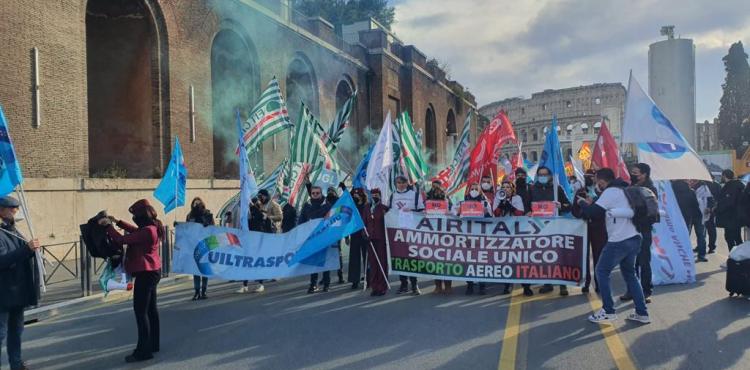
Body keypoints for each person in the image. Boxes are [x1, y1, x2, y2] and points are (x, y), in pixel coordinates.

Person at [578, 169, 650, 324]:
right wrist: (593, 203)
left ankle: (608, 311)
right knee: (630, 275)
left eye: (598, 182)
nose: (597, 185)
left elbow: (593, 213)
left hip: (619, 239)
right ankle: (642, 312)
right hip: (634, 237)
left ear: (602, 181)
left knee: (601, 271)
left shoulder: (610, 191)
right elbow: (601, 208)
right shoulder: (625, 189)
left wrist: (582, 202)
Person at [100, 199, 164, 362]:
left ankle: (143, 351)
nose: (134, 217)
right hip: (152, 271)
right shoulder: (151, 227)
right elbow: (135, 231)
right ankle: (153, 344)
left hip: (146, 273)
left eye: (135, 215)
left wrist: (108, 226)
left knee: (140, 312)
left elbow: (122, 240)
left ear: (142, 215)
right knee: (151, 310)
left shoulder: (147, 231)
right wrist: (117, 222)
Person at [0, 196, 40, 370]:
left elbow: (22, 252)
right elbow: (2, 260)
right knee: (0, 334)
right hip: (3, 293)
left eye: (16, 209)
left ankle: (16, 364)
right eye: (11, 209)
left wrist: (32, 251)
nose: (15, 212)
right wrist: (26, 249)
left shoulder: (13, 230)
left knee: (16, 332)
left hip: (18, 291)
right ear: (1, 211)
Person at [529, 166, 571, 296]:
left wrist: (560, 206)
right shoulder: (532, 189)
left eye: (545, 174)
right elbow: (526, 207)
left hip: (556, 227)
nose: (542, 177)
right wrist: (529, 212)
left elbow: (568, 205)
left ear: (549, 176)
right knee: (545, 256)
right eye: (540, 174)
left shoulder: (557, 188)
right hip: (539, 228)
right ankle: (548, 283)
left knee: (559, 256)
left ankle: (563, 285)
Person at [621, 163, 657, 303]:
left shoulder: (650, 189)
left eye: (635, 172)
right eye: (632, 172)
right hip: (629, 229)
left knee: (643, 261)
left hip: (643, 229)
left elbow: (648, 210)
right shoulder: (630, 187)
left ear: (644, 174)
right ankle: (631, 290)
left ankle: (646, 291)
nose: (633, 175)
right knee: (630, 263)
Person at [388, 175, 424, 295]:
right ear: (395, 183)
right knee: (400, 258)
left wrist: (412, 212)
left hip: (412, 231)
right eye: (398, 182)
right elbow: (389, 212)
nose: (401, 185)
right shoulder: (392, 196)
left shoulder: (414, 195)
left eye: (403, 182)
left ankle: (414, 284)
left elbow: (422, 211)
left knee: (412, 258)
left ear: (407, 183)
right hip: (397, 232)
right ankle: (403, 284)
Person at [572, 170, 607, 294]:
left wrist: (591, 207)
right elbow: (574, 211)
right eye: (586, 177)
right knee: (583, 256)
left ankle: (599, 283)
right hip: (584, 227)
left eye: (591, 177)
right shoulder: (580, 191)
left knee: (599, 256)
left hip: (599, 228)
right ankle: (586, 282)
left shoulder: (603, 192)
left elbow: (604, 209)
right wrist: (584, 212)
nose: (589, 179)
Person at [458, 182, 492, 295]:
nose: (473, 191)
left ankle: (482, 286)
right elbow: (454, 214)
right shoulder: (462, 202)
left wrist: (487, 213)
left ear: (480, 190)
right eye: (472, 189)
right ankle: (470, 285)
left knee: (481, 261)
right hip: (467, 235)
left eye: (476, 189)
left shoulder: (485, 202)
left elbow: (492, 217)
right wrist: (458, 212)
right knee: (468, 261)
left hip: (481, 236)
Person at [493, 180, 525, 295]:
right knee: (505, 259)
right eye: (504, 187)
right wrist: (501, 204)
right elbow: (495, 213)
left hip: (515, 230)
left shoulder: (517, 198)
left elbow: (520, 213)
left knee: (518, 258)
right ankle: (506, 285)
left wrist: (510, 207)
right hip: (503, 231)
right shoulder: (498, 197)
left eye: (508, 187)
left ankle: (525, 286)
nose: (506, 189)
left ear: (512, 189)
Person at [299, 186, 333, 293]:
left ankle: (326, 284)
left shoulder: (328, 205)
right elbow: (301, 221)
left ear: (321, 193)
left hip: (324, 237)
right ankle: (313, 284)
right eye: (313, 193)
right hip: (312, 238)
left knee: (325, 261)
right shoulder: (307, 205)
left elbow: (333, 220)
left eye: (317, 193)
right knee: (313, 262)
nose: (315, 195)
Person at [425, 180, 453, 295]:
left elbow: (454, 212)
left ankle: (448, 285)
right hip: (433, 233)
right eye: (433, 187)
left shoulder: (447, 199)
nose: (436, 189)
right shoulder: (428, 199)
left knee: (446, 260)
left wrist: (448, 212)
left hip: (446, 233)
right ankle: (437, 285)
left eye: (438, 187)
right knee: (434, 260)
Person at [185, 197, 214, 300]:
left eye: (198, 203)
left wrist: (206, 223)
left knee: (204, 268)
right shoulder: (190, 215)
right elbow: (187, 228)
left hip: (205, 244)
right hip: (194, 244)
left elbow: (212, 229)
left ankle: (204, 291)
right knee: (196, 269)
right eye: (194, 203)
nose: (196, 205)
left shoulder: (207, 214)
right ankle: (197, 291)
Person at [366, 189, 389, 296]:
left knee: (382, 263)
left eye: (376, 195)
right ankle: (374, 286)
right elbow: (363, 223)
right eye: (373, 194)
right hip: (370, 239)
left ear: (380, 196)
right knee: (373, 264)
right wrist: (365, 234)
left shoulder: (384, 208)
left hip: (381, 239)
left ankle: (382, 286)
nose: (374, 196)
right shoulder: (367, 207)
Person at [716, 170, 745, 252]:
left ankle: (734, 257)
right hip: (737, 217)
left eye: (722, 176)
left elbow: (728, 202)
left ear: (724, 176)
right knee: (737, 237)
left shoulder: (730, 186)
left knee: (730, 238)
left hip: (730, 217)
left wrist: (717, 208)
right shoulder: (739, 185)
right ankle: (740, 258)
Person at [348, 188, 369, 290]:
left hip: (365, 235)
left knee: (367, 258)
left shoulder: (367, 206)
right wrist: (347, 236)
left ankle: (368, 278)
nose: (355, 197)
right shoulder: (352, 207)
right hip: (355, 234)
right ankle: (354, 280)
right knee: (354, 258)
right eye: (354, 196)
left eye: (357, 195)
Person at [690, 180, 712, 262]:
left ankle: (702, 255)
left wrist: (709, 208)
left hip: (700, 214)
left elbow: (710, 199)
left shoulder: (704, 187)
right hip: (689, 214)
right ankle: (684, 255)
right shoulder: (685, 186)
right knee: (685, 235)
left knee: (701, 235)